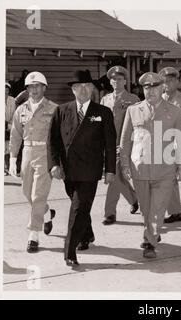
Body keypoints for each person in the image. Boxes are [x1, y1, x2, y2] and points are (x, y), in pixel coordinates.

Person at [48, 70, 116, 267]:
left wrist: (110, 169)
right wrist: (54, 164)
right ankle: (87, 234)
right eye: (79, 87)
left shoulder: (103, 112)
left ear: (93, 89)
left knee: (78, 209)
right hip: (68, 171)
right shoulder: (61, 110)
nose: (83, 90)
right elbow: (52, 141)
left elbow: (110, 143)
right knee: (80, 207)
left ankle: (69, 251)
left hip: (89, 170)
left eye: (87, 86)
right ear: (73, 89)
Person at [120, 72, 181, 258]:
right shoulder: (133, 110)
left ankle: (150, 242)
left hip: (165, 169)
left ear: (162, 87)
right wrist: (125, 164)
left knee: (158, 209)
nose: (150, 91)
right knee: (146, 208)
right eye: (146, 87)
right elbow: (125, 140)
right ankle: (150, 233)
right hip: (139, 167)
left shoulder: (174, 111)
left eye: (155, 86)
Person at [9, 72, 57, 253]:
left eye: (37, 86)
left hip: (45, 153)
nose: (34, 90)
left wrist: (57, 160)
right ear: (27, 89)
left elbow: (59, 136)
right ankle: (46, 211)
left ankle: (33, 234)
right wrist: (13, 158)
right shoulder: (21, 110)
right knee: (26, 192)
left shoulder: (54, 109)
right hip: (27, 153)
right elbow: (15, 134)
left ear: (44, 88)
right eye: (30, 87)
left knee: (38, 194)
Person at [100, 66, 140, 225]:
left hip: (125, 144)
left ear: (125, 81)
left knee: (113, 178)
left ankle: (109, 213)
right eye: (114, 79)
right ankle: (134, 198)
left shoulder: (133, 99)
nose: (117, 82)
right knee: (118, 177)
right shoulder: (105, 99)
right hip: (108, 144)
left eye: (120, 79)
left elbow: (137, 123)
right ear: (110, 81)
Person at [158, 67, 181, 224]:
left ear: (177, 81)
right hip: (160, 144)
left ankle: (174, 211)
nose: (167, 84)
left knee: (170, 178)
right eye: (164, 81)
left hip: (176, 143)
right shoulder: (158, 98)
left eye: (171, 80)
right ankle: (175, 211)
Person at [5, 82, 16, 176]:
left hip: (9, 125)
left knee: (8, 147)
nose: (5, 91)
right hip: (0, 125)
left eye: (7, 89)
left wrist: (10, 124)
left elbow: (14, 113)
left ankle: (8, 168)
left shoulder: (12, 100)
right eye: (4, 89)